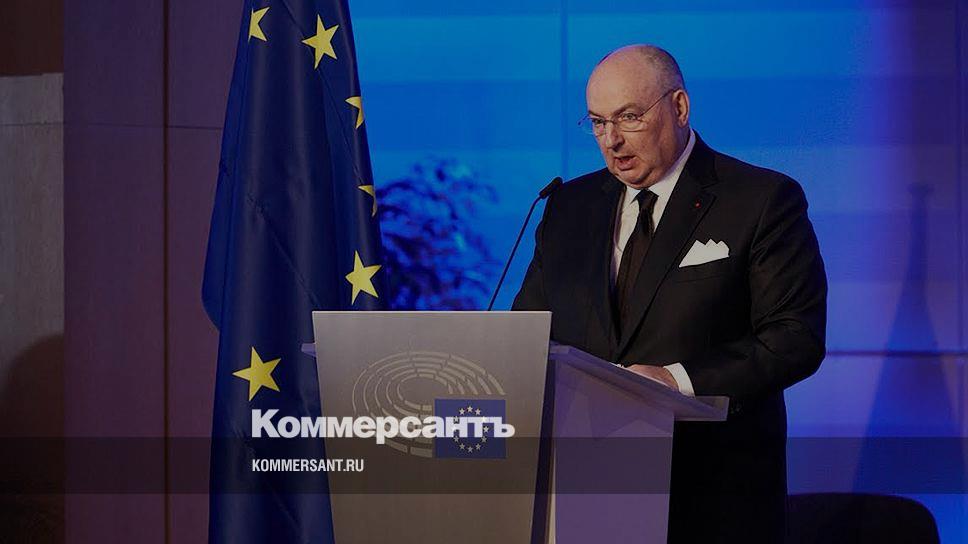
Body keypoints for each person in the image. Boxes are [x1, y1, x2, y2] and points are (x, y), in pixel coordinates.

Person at [512, 44, 827, 542]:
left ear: (679, 107)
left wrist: (672, 380)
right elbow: (528, 337)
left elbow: (793, 338)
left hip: (709, 500)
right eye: (597, 122)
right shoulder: (568, 207)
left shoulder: (760, 200)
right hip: (582, 496)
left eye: (629, 117)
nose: (612, 140)